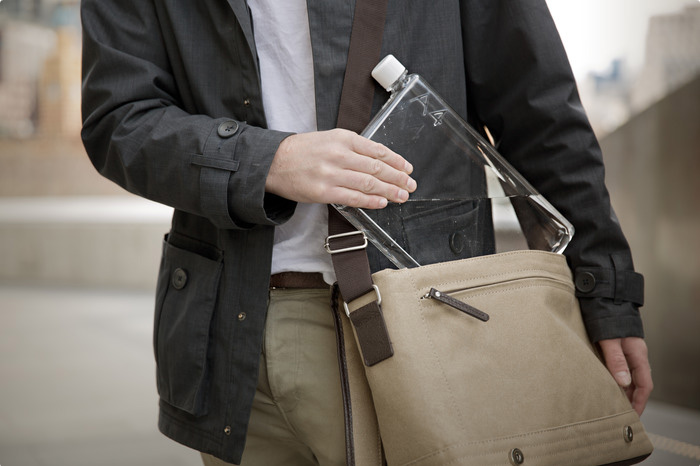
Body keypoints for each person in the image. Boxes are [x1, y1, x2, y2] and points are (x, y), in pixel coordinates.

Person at [80, 0, 653, 465]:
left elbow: (538, 112)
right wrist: (267, 160)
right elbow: (117, 120)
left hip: (415, 315)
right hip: (227, 331)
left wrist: (605, 294)